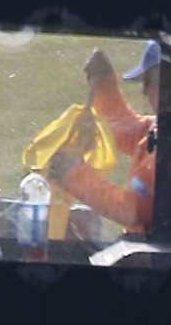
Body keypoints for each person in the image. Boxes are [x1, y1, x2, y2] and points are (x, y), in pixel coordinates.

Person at [44, 43, 162, 234]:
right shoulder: (170, 127)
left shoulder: (170, 152)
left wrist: (72, 174)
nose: (144, 91)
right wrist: (103, 84)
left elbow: (129, 211)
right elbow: (125, 127)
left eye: (149, 82)